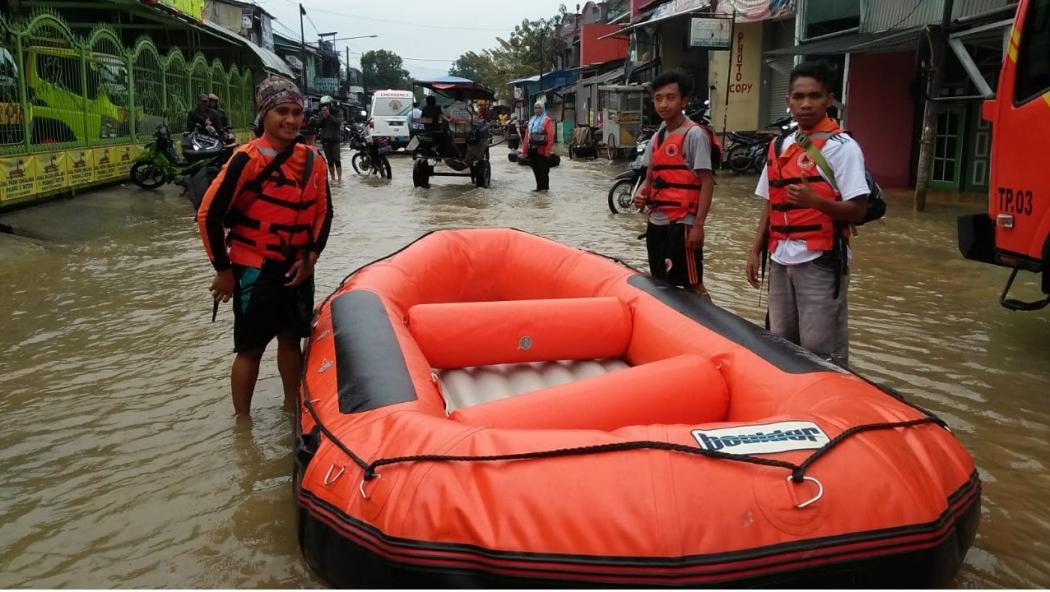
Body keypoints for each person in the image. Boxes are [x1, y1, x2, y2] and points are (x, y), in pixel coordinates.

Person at [196, 76, 333, 417]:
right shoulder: (245, 160)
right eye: (282, 111)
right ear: (265, 115)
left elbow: (324, 214)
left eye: (297, 113)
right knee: (250, 349)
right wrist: (224, 272)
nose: (290, 120)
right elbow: (208, 217)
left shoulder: (314, 161)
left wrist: (311, 258)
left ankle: (292, 408)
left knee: (291, 340)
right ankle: (242, 424)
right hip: (254, 269)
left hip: (297, 267)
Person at [745, 60, 869, 368]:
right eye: (798, 97)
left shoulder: (843, 147)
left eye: (814, 96)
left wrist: (816, 201)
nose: (805, 104)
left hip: (820, 260)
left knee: (821, 348)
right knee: (780, 339)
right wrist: (754, 249)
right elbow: (770, 203)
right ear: (788, 100)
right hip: (779, 257)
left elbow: (858, 208)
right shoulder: (778, 146)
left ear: (829, 99)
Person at [631, 70, 716, 297]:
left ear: (684, 100)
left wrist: (698, 225)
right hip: (657, 221)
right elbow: (649, 178)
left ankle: (710, 327)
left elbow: (707, 183)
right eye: (658, 98)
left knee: (692, 284)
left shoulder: (694, 135)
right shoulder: (657, 137)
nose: (663, 104)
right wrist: (640, 194)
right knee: (661, 282)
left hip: (682, 222)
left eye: (670, 97)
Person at [522, 101, 554, 191]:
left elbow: (550, 136)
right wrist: (524, 150)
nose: (537, 110)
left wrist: (547, 151)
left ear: (543, 108)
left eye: (539, 108)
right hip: (532, 148)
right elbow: (526, 136)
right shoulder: (532, 119)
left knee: (543, 169)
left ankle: (545, 188)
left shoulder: (547, 120)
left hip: (542, 149)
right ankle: (539, 187)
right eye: (535, 108)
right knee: (535, 169)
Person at [311, 104, 343, 182]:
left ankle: (339, 179)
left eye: (326, 109)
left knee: (337, 160)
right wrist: (323, 117)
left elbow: (338, 123)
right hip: (325, 141)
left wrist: (329, 116)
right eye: (323, 109)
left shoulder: (336, 113)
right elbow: (317, 124)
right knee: (330, 161)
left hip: (335, 141)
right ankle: (332, 178)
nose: (324, 111)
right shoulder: (320, 115)